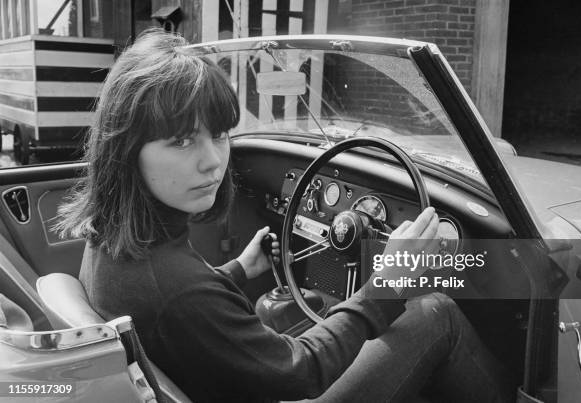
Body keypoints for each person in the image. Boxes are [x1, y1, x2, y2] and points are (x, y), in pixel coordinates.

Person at [56, 29, 513, 403]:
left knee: (295, 310)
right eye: (181, 141)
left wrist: (235, 272)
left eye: (219, 135)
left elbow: (178, 318)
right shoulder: (178, 288)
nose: (213, 161)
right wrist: (390, 282)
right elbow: (301, 372)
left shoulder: (108, 239)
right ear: (125, 149)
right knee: (435, 314)